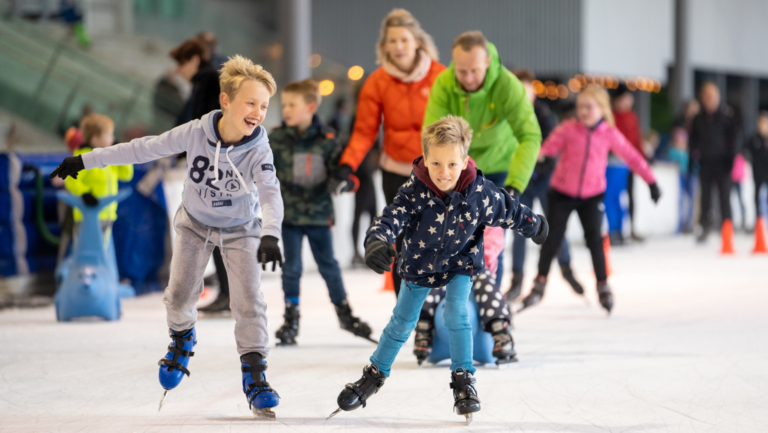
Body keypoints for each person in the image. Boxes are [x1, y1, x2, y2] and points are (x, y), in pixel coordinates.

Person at [49, 56, 284, 419]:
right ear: (225, 101)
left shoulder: (259, 149)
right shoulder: (194, 132)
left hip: (241, 229)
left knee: (249, 300)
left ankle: (255, 377)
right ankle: (181, 339)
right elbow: (143, 147)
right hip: (194, 223)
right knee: (178, 296)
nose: (257, 112)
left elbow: (270, 192)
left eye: (264, 105)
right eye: (250, 102)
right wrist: (87, 160)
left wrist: (270, 233)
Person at [328, 116, 547, 423]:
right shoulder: (415, 189)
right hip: (420, 264)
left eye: (452, 165)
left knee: (456, 313)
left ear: (465, 159)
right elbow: (390, 218)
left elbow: (508, 209)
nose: (444, 173)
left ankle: (463, 380)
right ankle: (374, 375)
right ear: (425, 159)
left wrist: (533, 224)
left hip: (461, 262)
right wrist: (377, 241)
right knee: (401, 323)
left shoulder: (480, 192)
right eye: (436, 164)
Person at [520, 85, 661, 314]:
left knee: (595, 240)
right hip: (562, 193)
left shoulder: (609, 133)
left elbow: (632, 156)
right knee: (552, 239)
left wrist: (651, 181)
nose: (583, 111)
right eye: (580, 106)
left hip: (592, 195)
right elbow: (547, 148)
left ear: (602, 109)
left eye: (589, 107)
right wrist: (540, 159)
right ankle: (540, 283)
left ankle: (603, 285)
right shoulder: (568, 129)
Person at [335, 8, 445, 296]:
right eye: (391, 41)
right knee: (403, 241)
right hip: (396, 172)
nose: (398, 47)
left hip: (437, 172)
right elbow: (364, 132)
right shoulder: (377, 81)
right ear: (383, 46)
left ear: (417, 42)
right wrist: (347, 166)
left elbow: (458, 126)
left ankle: (437, 310)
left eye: (404, 40)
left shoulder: (440, 76)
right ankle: (405, 310)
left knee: (437, 239)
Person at [423, 31, 542, 287]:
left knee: (490, 239)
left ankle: (492, 306)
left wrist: (515, 185)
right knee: (454, 239)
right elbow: (431, 138)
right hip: (460, 170)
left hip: (500, 168)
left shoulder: (507, 85)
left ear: (487, 61)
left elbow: (530, 135)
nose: (467, 78)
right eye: (461, 71)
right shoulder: (443, 84)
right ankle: (453, 307)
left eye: (474, 71)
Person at [269, 79, 374, 346]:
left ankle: (345, 315)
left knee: (329, 266)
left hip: (318, 216)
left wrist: (344, 181)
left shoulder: (328, 139)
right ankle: (291, 319)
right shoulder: (277, 137)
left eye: (293, 105)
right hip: (290, 217)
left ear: (311, 106)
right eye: (284, 105)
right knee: (291, 268)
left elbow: (349, 173)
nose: (287, 110)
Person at [507, 69, 583, 301]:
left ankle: (567, 268)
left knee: (554, 228)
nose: (522, 94)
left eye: (526, 89)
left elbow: (552, 150)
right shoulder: (508, 115)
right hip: (521, 182)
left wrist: (537, 168)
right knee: (520, 229)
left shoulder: (544, 114)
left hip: (544, 180)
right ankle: (517, 279)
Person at [168, 38, 231, 314]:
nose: (179, 71)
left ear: (194, 59)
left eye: (181, 64)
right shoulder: (210, 77)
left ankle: (229, 294)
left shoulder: (207, 80)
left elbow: (203, 123)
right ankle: (229, 293)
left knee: (216, 231)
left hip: (215, 167)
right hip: (218, 164)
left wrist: (185, 152)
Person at [63, 113, 133, 253]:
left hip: (107, 216)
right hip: (87, 217)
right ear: (95, 138)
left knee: (101, 254)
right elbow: (71, 180)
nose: (113, 139)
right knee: (85, 252)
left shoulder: (108, 158)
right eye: (109, 135)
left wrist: (122, 153)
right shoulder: (82, 157)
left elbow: (126, 175)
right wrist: (85, 194)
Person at [689, 83, 739, 244]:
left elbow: (734, 139)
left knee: (725, 197)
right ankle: (704, 227)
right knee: (705, 198)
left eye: (712, 97)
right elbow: (693, 141)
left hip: (723, 163)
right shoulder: (698, 118)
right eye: (707, 97)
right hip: (705, 163)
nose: (710, 100)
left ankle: (727, 229)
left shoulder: (726, 116)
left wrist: (731, 160)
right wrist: (693, 160)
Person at [612, 85, 646, 242]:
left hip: (630, 163)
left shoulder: (632, 117)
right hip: (616, 163)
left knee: (631, 196)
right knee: (615, 196)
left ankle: (631, 227)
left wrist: (642, 158)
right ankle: (615, 229)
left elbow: (637, 140)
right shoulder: (612, 117)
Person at [668, 128, 696, 233]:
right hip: (679, 176)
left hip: (689, 175)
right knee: (679, 200)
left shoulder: (689, 152)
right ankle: (679, 226)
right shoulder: (673, 152)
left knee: (691, 200)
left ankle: (689, 225)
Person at [745, 111, 768, 235]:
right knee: (757, 198)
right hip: (758, 173)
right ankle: (759, 222)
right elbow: (745, 151)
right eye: (761, 122)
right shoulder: (754, 139)